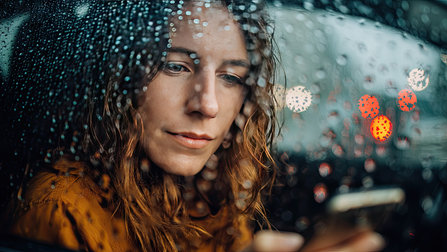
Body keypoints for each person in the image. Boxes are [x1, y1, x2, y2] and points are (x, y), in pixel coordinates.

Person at [5, 0, 385, 251]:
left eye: (232, 77)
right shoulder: (58, 209)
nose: (207, 104)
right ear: (120, 78)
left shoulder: (216, 192)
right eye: (175, 66)